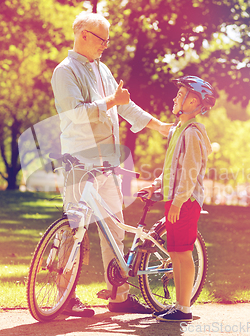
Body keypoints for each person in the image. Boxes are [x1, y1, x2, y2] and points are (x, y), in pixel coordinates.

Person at [51, 12, 172, 317]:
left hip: (108, 163)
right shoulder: (65, 72)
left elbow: (125, 104)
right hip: (79, 160)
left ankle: (119, 295)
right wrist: (111, 103)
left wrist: (159, 127)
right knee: (73, 228)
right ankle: (65, 298)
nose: (105, 45)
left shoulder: (102, 70)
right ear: (83, 35)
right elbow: (74, 113)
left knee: (114, 228)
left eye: (107, 39)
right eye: (101, 39)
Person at [139, 75, 216, 322]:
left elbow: (190, 171)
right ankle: (178, 306)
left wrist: (180, 201)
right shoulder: (178, 131)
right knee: (175, 253)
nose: (175, 98)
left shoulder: (192, 133)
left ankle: (184, 308)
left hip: (186, 202)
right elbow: (172, 167)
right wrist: (156, 185)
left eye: (180, 95)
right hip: (175, 200)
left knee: (183, 254)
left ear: (193, 102)